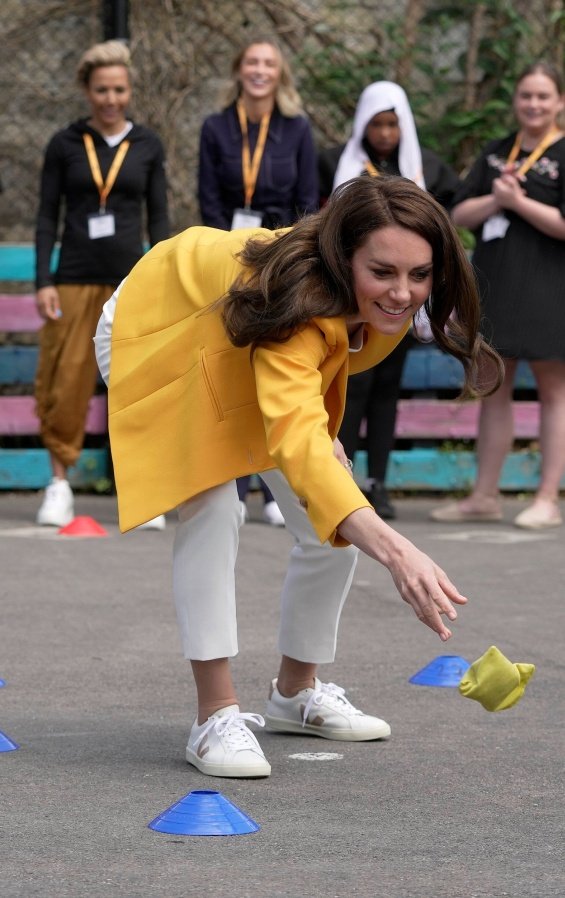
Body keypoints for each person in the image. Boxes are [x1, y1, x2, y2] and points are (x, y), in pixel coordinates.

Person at [95, 176, 503, 780]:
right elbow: (294, 393)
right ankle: (215, 715)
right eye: (384, 272)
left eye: (420, 275)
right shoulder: (299, 300)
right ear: (344, 259)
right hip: (157, 326)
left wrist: (318, 444)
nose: (402, 292)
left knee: (329, 508)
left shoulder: (379, 301)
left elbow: (309, 386)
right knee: (214, 504)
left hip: (242, 336)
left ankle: (295, 695)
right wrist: (397, 552)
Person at [34, 40, 169, 528]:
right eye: (101, 90)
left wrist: (165, 281)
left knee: (136, 381)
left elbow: (161, 220)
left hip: (131, 282)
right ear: (86, 91)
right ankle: (59, 484)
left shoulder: (148, 144)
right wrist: (44, 280)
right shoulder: (64, 144)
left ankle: (142, 488)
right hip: (72, 278)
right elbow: (48, 214)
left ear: (130, 90)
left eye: (119, 89)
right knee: (65, 379)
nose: (110, 99)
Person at [430, 61, 565, 530]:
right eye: (526, 95)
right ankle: (485, 494)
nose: (533, 104)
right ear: (516, 100)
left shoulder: (563, 153)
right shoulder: (495, 152)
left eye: (544, 96)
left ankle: (547, 498)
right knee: (493, 388)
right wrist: (496, 198)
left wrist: (519, 202)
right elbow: (459, 213)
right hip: (497, 285)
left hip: (551, 288)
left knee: (554, 392)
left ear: (560, 102)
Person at [319, 81, 460, 518]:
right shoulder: (335, 163)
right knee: (350, 387)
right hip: (352, 297)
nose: (384, 134)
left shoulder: (424, 168)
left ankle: (377, 482)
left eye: (392, 125)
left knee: (386, 393)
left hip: (399, 304)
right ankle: (339, 478)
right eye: (376, 124)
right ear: (363, 123)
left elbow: (449, 214)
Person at [198, 35, 319, 526]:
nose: (260, 70)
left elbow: (309, 197)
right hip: (229, 256)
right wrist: (225, 251)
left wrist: (287, 254)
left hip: (280, 260)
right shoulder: (216, 127)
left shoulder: (297, 129)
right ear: (238, 70)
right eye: (252, 62)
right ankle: (235, 481)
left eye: (269, 63)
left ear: (279, 74)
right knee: (229, 361)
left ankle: (273, 488)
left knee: (273, 360)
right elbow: (207, 197)